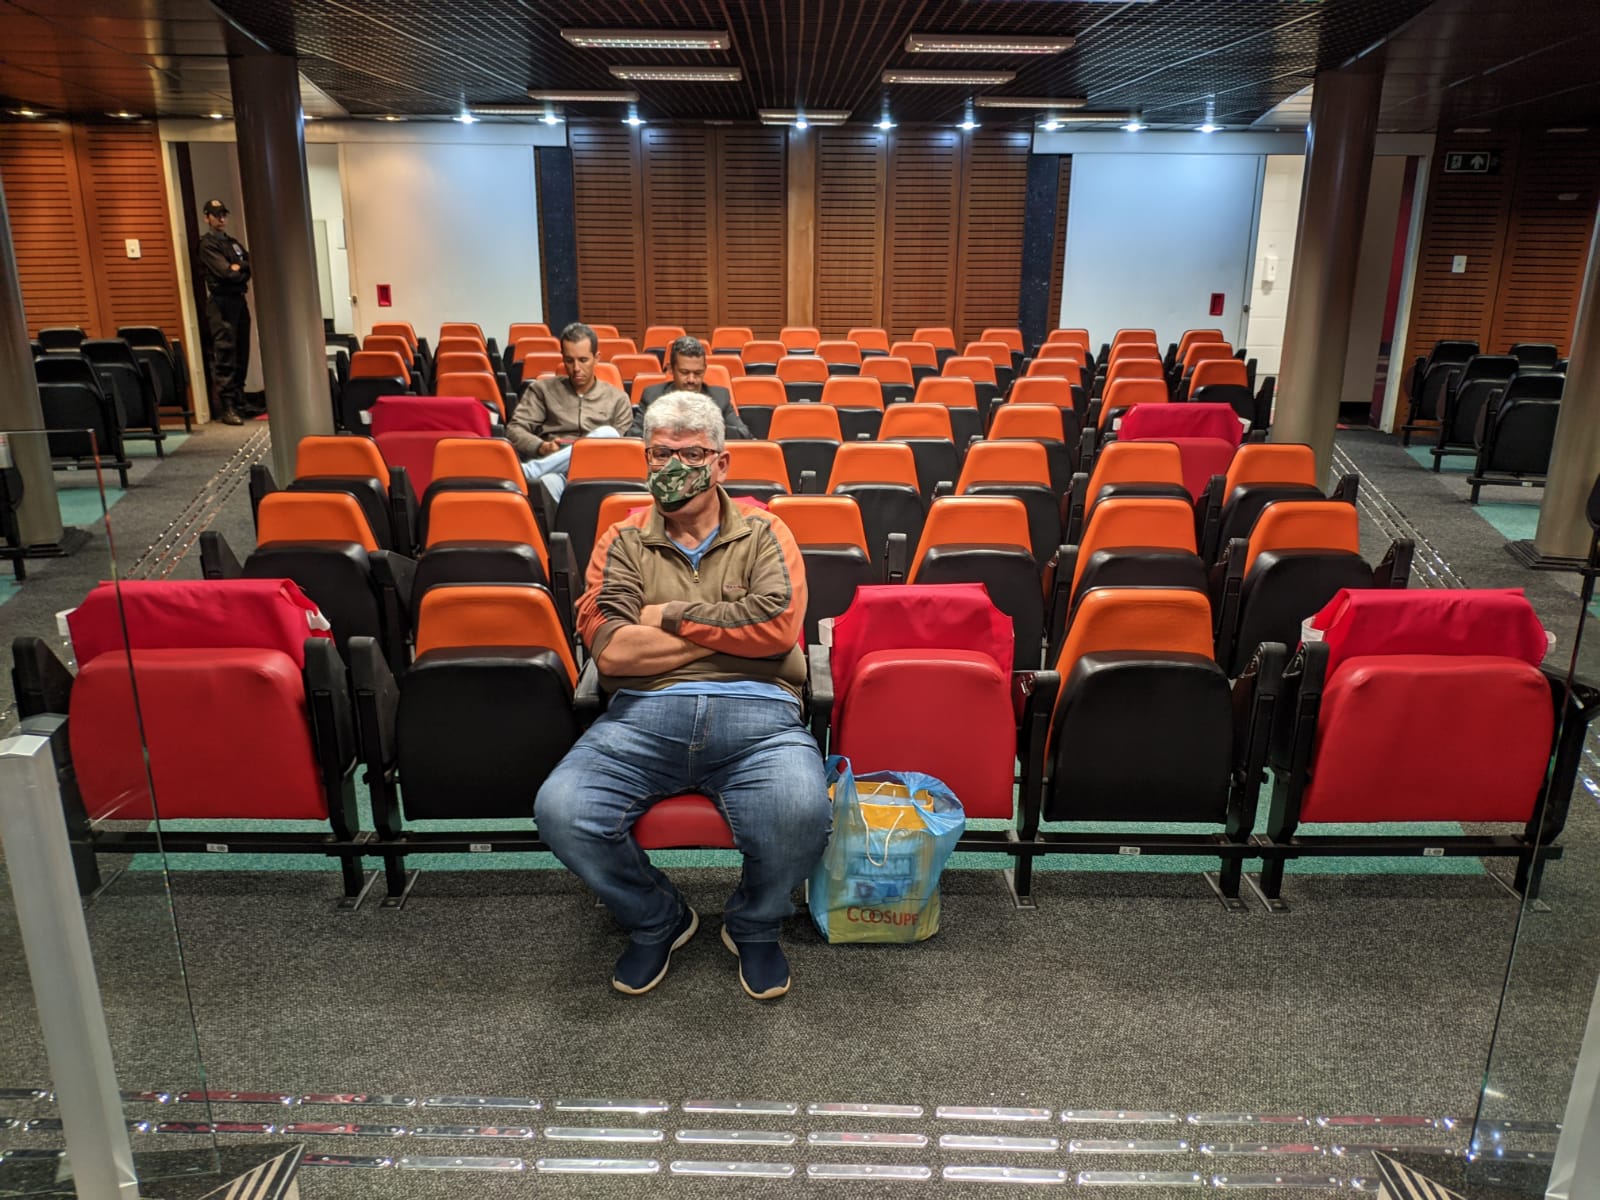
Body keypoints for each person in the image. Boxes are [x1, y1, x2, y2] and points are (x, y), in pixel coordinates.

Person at [535, 392, 830, 1001]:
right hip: (643, 717)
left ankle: (754, 924)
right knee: (562, 810)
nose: (673, 466)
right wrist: (733, 640)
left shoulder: (765, 532)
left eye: (691, 454)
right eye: (659, 453)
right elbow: (613, 652)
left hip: (760, 717)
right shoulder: (621, 539)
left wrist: (666, 615)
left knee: (802, 812)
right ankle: (658, 917)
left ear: (721, 462)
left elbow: (777, 628)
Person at [506, 321, 632, 502]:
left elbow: (621, 447)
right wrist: (541, 446)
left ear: (596, 358)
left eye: (583, 360)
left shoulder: (618, 398)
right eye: (569, 361)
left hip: (597, 469)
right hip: (555, 465)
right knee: (548, 482)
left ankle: (533, 470)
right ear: (562, 357)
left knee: (608, 433)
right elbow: (515, 429)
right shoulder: (542, 390)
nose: (576, 369)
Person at [197, 199, 254, 425]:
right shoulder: (207, 245)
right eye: (216, 215)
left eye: (223, 215)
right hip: (221, 304)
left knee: (242, 351)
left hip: (238, 301)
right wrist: (236, 268)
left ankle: (240, 400)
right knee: (226, 352)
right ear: (207, 218)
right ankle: (227, 406)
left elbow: (248, 265)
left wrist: (239, 267)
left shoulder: (232, 243)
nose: (221, 219)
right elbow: (226, 273)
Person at [631, 335, 750, 439]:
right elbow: (633, 435)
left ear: (705, 369)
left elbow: (744, 435)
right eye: (684, 372)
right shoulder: (652, 396)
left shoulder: (720, 397)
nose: (691, 380)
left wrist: (711, 428)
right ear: (671, 369)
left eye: (698, 373)